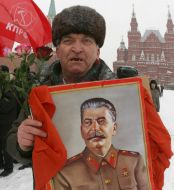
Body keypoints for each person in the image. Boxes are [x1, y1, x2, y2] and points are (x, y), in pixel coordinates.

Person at [7, 5, 115, 164]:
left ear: (98, 51)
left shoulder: (118, 90)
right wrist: (21, 143)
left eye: (86, 41)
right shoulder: (41, 93)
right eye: (68, 41)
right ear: (57, 51)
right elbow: (12, 140)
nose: (77, 49)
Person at [50, 97, 149, 189]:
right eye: (88, 122)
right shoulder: (65, 173)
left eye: (101, 121)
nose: (95, 128)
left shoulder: (134, 162)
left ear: (114, 128)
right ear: (81, 131)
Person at [0, 65, 19, 177]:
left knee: (6, 145)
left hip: (6, 121)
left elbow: (6, 105)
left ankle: (8, 167)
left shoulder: (9, 87)